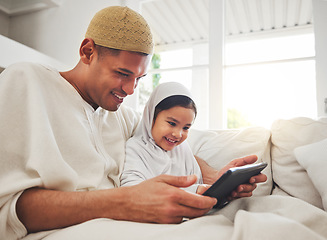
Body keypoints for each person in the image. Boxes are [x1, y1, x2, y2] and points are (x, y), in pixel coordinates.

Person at [0, 5, 267, 240]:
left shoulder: (123, 116)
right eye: (122, 73)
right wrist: (122, 202)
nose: (130, 90)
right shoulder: (26, 81)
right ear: (87, 51)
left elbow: (166, 145)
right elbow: (9, 207)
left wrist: (215, 179)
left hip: (124, 224)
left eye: (139, 78)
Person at [121, 82, 205, 194]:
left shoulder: (183, 149)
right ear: (151, 117)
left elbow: (197, 182)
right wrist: (194, 191)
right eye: (172, 123)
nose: (178, 134)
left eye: (185, 128)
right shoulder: (135, 148)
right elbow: (132, 191)